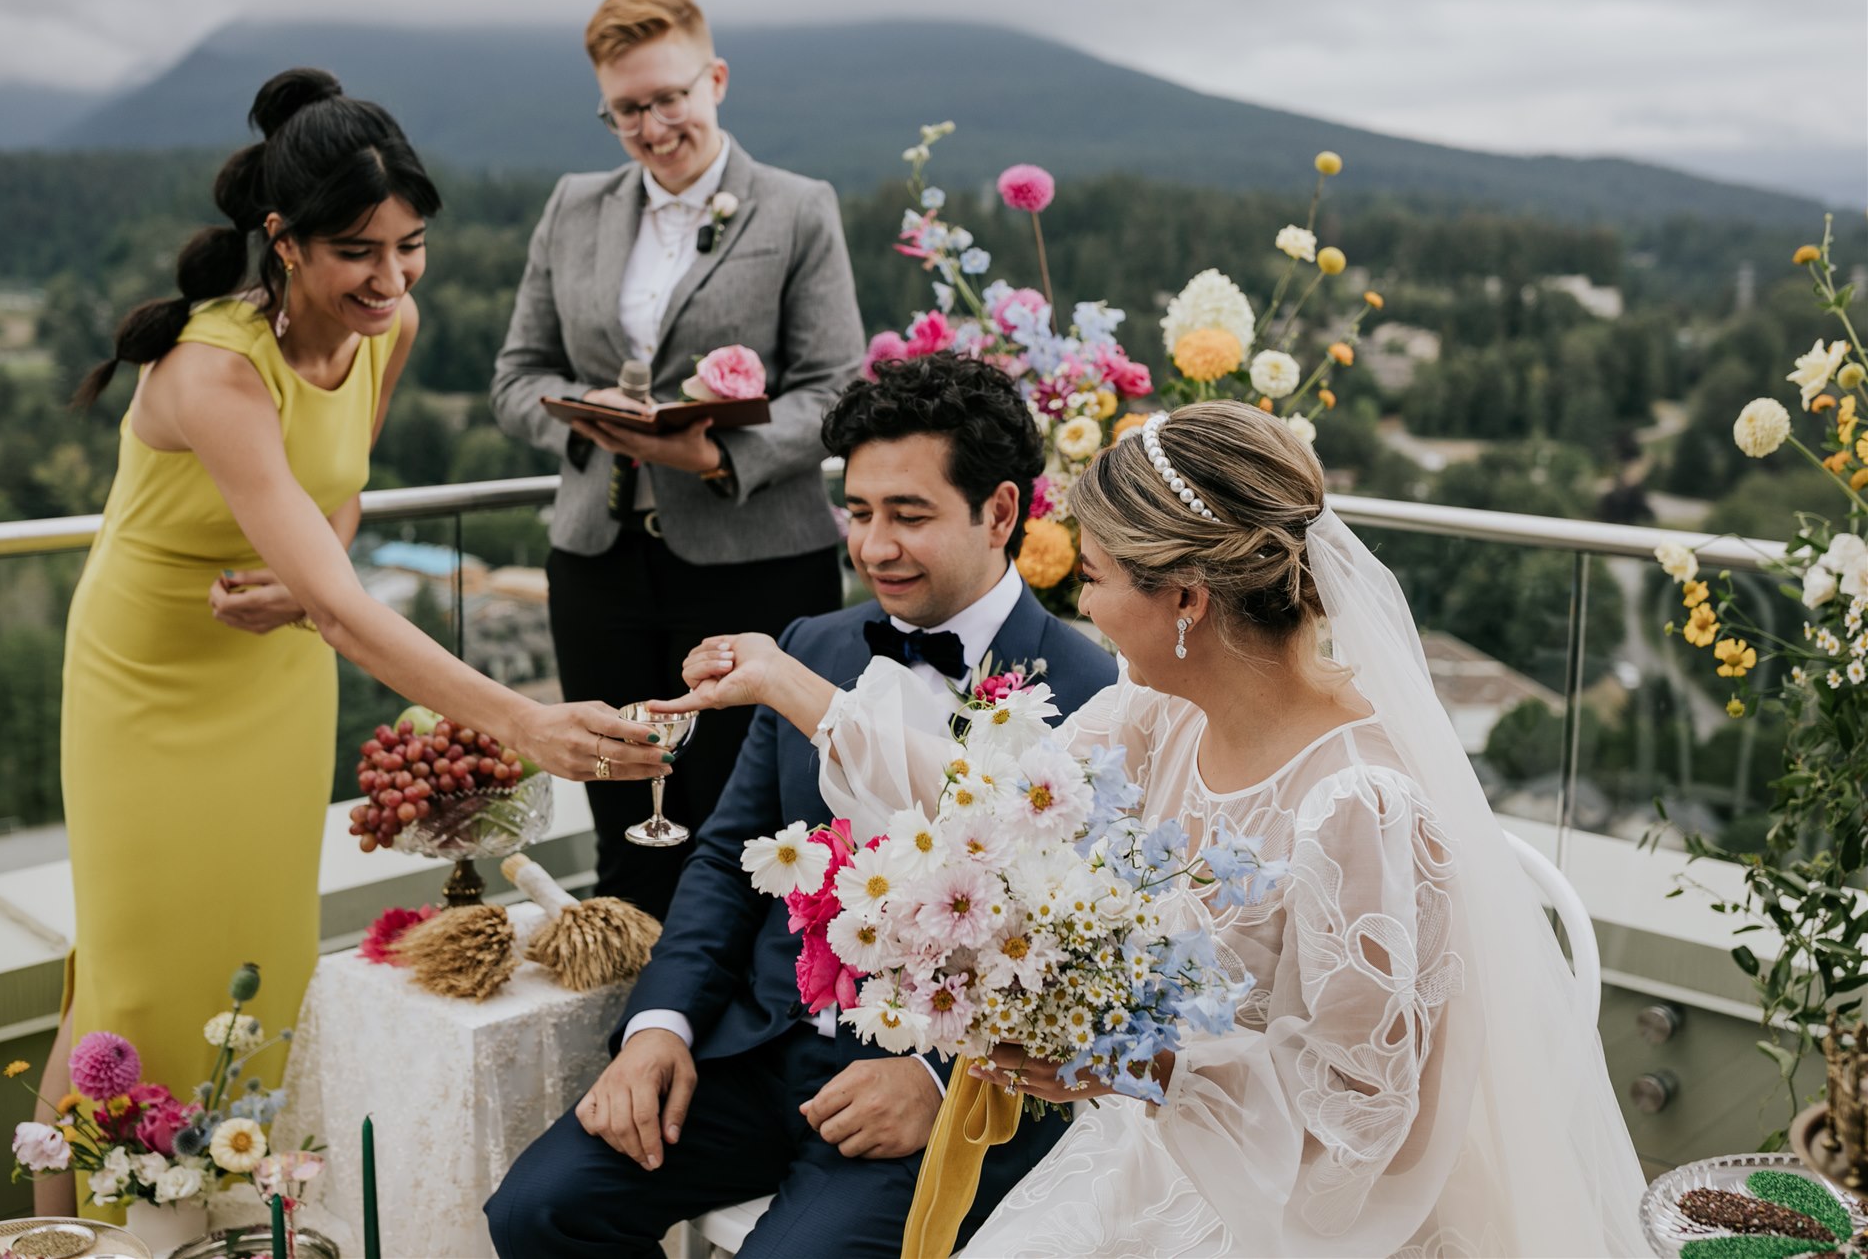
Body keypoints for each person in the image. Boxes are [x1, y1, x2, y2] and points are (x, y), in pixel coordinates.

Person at [653, 400, 1649, 1256]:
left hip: (1299, 1215)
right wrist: (794, 691)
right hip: (1158, 1150)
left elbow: (1361, 1123)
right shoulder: (1153, 714)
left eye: (1092, 577)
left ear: (1183, 597)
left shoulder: (1361, 808)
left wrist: (1126, 1060)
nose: (1079, 605)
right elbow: (991, 808)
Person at [46, 69, 666, 1216]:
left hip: (272, 671)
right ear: (282, 243)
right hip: (147, 673)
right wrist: (523, 717)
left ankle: (214, 1226)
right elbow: (343, 599)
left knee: (259, 955)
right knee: (131, 976)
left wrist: (295, 591)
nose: (390, 280)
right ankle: (77, 1237)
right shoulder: (213, 370)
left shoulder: (387, 330)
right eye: (357, 254)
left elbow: (336, 503)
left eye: (410, 246)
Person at [486, 355, 1120, 1258]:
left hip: (936, 1085)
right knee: (537, 1207)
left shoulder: (1094, 694)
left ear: (1003, 512)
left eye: (909, 514)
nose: (873, 547)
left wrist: (939, 1080)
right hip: (756, 1051)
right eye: (859, 513)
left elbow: (1078, 950)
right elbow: (725, 855)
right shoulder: (811, 643)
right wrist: (657, 1028)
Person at [490, 0, 862, 920]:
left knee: (755, 819)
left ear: (716, 80)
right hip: (598, 565)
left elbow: (838, 389)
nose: (654, 126)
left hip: (758, 563)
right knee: (624, 808)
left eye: (669, 98)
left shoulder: (797, 208)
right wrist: (583, 417)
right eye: (627, 111)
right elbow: (516, 376)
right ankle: (638, 1026)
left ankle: (749, 1036)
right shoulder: (572, 207)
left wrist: (721, 459)